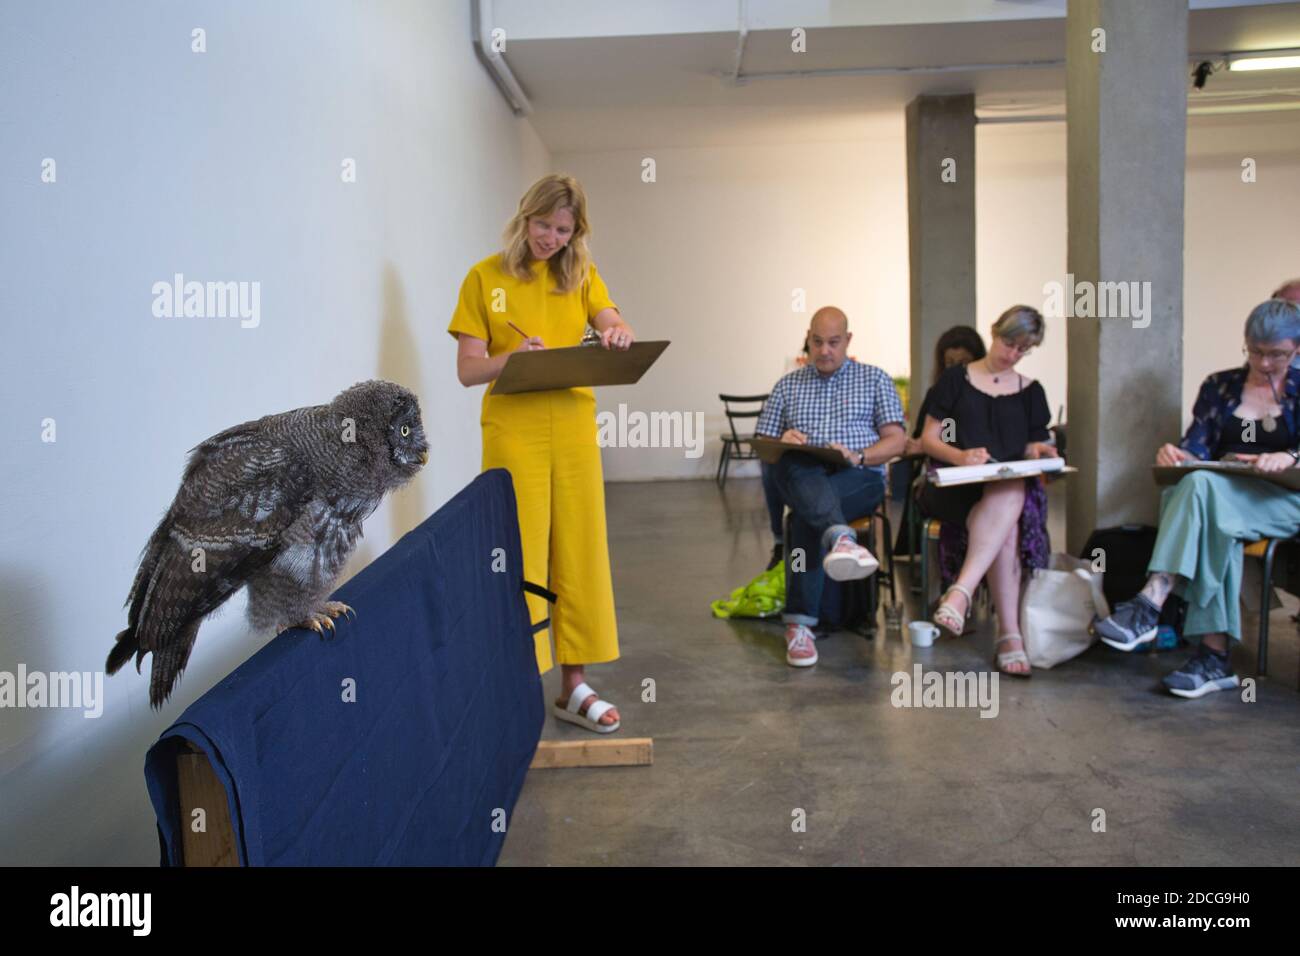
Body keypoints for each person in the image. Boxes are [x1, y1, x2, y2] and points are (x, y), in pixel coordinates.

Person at [448, 174, 632, 733]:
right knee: (517, 552)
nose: (551, 238)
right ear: (524, 216)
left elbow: (609, 318)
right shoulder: (484, 277)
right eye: (543, 225)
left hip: (573, 424)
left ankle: (574, 686)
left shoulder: (580, 275)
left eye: (563, 229)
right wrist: (513, 360)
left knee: (579, 548)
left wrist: (617, 330)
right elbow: (467, 370)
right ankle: (517, 677)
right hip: (514, 428)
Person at [1093, 299, 1300, 698]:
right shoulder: (1220, 387)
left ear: (1295, 350)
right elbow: (1197, 453)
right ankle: (1212, 658)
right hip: (1228, 500)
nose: (1264, 362)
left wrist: (1288, 455)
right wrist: (1179, 455)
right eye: (1255, 351)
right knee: (1195, 490)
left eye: (1276, 354)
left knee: (1199, 492)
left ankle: (1153, 601)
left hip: (1286, 500)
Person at [754, 307, 907, 667]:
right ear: (808, 338)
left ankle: (799, 625)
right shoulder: (788, 385)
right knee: (792, 462)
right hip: (803, 471)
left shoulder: (874, 379)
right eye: (817, 342)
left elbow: (897, 441)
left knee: (805, 519)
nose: (824, 351)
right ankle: (841, 538)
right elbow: (762, 442)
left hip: (859, 474)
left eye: (833, 343)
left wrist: (857, 456)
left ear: (848, 341)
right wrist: (781, 439)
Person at [919, 306, 1054, 677]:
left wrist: (1040, 451)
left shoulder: (1031, 392)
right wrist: (961, 456)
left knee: (1009, 494)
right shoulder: (955, 381)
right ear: (994, 333)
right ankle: (1008, 637)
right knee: (1007, 509)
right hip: (954, 484)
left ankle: (960, 593)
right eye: (1009, 343)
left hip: (1001, 493)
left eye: (1022, 350)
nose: (1012, 354)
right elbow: (928, 439)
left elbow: (1030, 446)